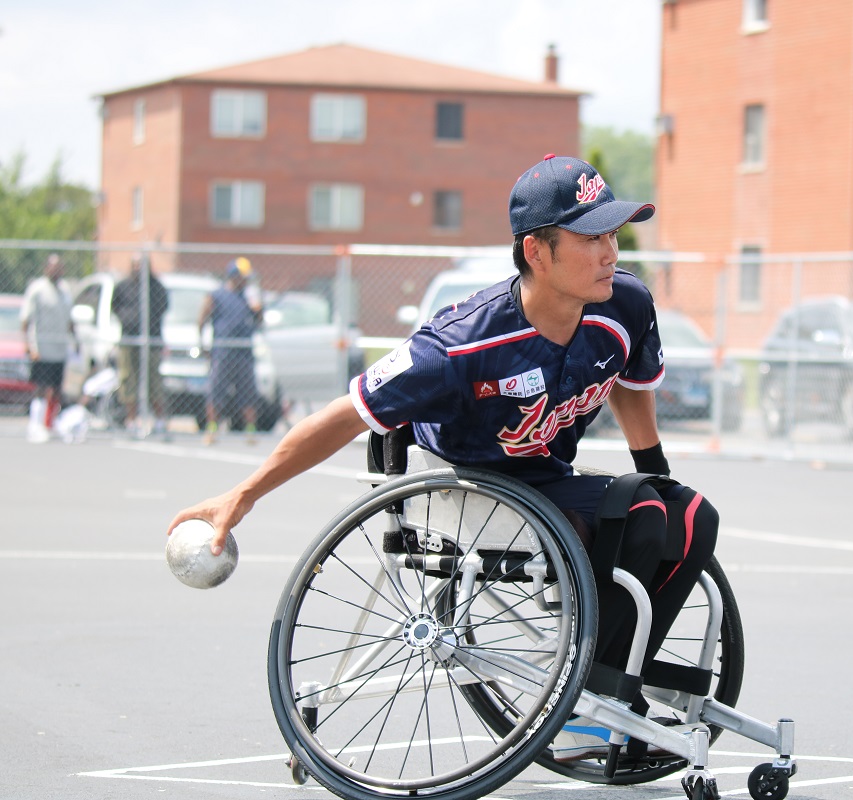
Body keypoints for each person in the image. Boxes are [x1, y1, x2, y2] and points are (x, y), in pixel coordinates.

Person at [168, 154, 719, 761]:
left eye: (613, 234)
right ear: (537, 251)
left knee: (691, 516)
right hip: (464, 488)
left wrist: (657, 474)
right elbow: (342, 417)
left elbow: (630, 387)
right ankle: (587, 699)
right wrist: (243, 494)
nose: (611, 252)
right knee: (641, 514)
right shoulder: (458, 346)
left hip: (546, 479)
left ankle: (614, 677)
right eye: (591, 238)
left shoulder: (624, 306)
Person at [197, 257, 262, 445]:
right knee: (216, 390)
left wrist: (258, 308)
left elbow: (259, 321)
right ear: (233, 276)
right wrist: (203, 345)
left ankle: (250, 431)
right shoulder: (217, 295)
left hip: (244, 352)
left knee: (248, 392)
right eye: (243, 277)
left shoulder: (249, 297)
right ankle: (212, 429)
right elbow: (202, 319)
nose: (246, 281)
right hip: (223, 351)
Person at [112, 255, 170, 439]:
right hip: (129, 340)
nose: (139, 269)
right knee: (128, 379)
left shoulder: (157, 287)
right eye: (135, 265)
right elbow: (115, 307)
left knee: (153, 380)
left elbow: (163, 307)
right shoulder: (123, 286)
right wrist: (128, 319)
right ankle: (132, 420)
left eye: (142, 266)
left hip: (151, 340)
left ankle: (160, 421)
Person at [20, 254, 74, 443]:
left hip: (59, 348)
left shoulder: (65, 291)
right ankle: (35, 425)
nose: (57, 271)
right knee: (41, 388)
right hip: (42, 348)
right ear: (46, 269)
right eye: (53, 267)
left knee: (56, 389)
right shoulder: (37, 289)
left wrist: (76, 342)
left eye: (60, 268)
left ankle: (49, 424)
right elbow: (26, 320)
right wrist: (28, 344)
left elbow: (70, 320)